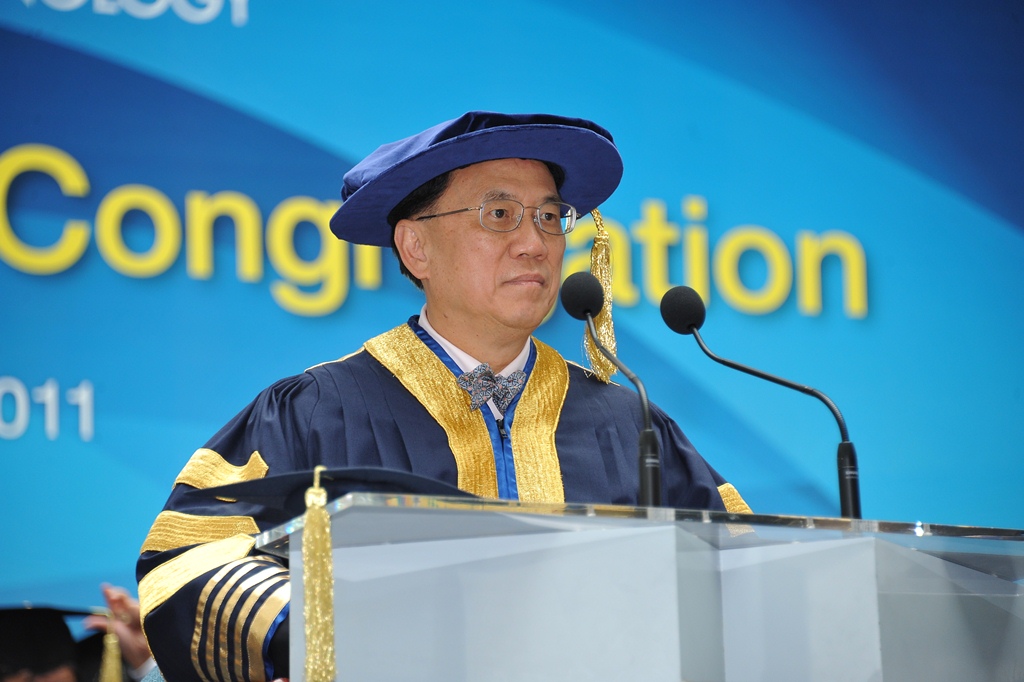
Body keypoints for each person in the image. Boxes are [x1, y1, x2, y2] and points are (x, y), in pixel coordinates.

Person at [136, 111, 750, 681]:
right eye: (500, 215)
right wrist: (324, 624)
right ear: (415, 247)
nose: (535, 243)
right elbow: (184, 560)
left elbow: (750, 576)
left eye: (549, 215)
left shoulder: (631, 425)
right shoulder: (316, 410)